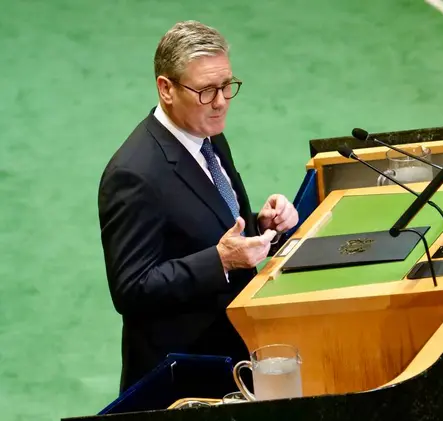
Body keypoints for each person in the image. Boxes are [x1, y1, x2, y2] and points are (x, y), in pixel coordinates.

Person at [97, 20, 299, 392]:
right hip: (186, 376)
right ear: (166, 88)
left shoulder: (207, 136)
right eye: (206, 90)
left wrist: (263, 224)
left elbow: (210, 225)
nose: (221, 101)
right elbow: (131, 288)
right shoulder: (134, 174)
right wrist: (220, 260)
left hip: (234, 353)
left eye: (226, 86)